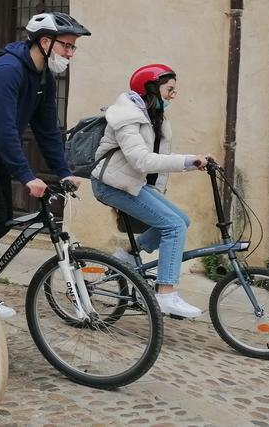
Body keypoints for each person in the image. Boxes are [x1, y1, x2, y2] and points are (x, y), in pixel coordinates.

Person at [0, 12, 89, 320]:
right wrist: (26, 175)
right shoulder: (8, 70)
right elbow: (5, 129)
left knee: (1, 219)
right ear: (45, 42)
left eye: (73, 48)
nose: (70, 54)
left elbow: (48, 130)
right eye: (66, 46)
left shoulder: (44, 77)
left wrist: (64, 171)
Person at [91, 64, 212, 319]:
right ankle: (166, 294)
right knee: (173, 227)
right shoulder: (126, 117)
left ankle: (126, 256)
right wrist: (190, 161)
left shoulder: (155, 119)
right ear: (151, 88)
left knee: (182, 220)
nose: (173, 95)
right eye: (170, 89)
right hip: (112, 184)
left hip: (133, 184)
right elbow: (142, 161)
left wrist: (159, 196)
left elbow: (156, 164)